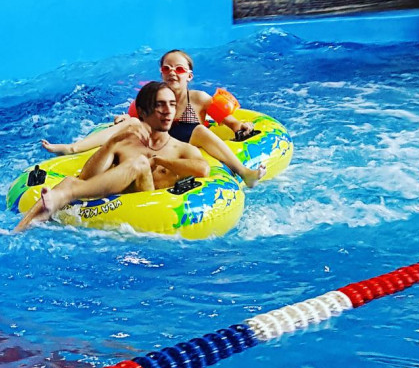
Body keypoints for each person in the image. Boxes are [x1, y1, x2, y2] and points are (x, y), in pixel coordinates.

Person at [42, 50, 266, 188]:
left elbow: (231, 123)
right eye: (166, 68)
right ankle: (72, 148)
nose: (172, 72)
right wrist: (124, 119)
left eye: (179, 69)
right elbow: (136, 120)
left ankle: (243, 172)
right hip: (155, 142)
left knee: (199, 130)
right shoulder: (152, 97)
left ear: (189, 76)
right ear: (161, 73)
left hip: (183, 145)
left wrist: (240, 126)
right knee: (131, 123)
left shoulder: (199, 99)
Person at [14, 81, 209, 232]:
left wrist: (158, 160)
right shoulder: (125, 143)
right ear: (143, 112)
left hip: (151, 213)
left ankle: (67, 195)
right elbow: (86, 178)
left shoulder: (182, 149)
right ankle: (16, 231)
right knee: (68, 182)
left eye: (172, 105)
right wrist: (113, 141)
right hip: (116, 210)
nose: (167, 111)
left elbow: (203, 169)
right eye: (160, 105)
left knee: (140, 163)